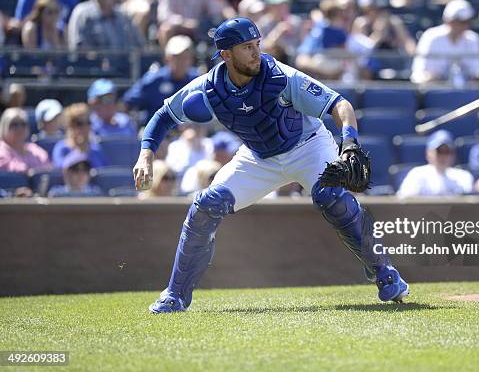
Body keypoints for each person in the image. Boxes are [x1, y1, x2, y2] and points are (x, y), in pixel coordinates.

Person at [133, 17, 409, 313]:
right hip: (258, 156)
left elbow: (339, 104)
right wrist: (146, 155)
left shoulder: (281, 77)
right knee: (205, 205)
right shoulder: (209, 88)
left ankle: (385, 271)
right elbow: (163, 116)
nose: (255, 52)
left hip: (308, 146)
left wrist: (350, 143)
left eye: (256, 44)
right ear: (226, 54)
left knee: (331, 197)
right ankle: (175, 295)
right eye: (246, 47)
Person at [123, 35, 200, 123]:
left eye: (185, 57)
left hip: (189, 131)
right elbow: (127, 103)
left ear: (191, 59)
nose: (181, 61)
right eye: (177, 57)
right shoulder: (153, 80)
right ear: (167, 58)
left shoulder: (197, 80)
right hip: (157, 133)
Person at [411, 0, 479, 85]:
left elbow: (477, 75)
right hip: (433, 90)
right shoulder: (431, 37)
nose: (463, 26)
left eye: (466, 22)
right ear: (448, 20)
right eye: (458, 21)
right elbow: (420, 73)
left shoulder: (473, 39)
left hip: (465, 91)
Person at [66, 0, 144, 50]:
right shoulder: (82, 13)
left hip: (123, 62)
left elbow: (139, 46)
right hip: (94, 62)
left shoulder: (124, 16)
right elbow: (77, 49)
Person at [396, 130, 473, 197]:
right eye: (439, 151)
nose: (443, 156)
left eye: (447, 152)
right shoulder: (417, 174)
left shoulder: (464, 177)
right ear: (428, 153)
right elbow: (404, 204)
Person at [52, 103, 107, 169]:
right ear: (70, 126)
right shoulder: (61, 148)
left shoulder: (96, 149)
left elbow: (102, 172)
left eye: (88, 122)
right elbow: (62, 170)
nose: (85, 127)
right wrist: (79, 151)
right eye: (79, 123)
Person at [0, 107, 52, 173]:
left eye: (23, 124)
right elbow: (9, 167)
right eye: (14, 124)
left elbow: (48, 167)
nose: (19, 128)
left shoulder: (33, 149)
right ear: (4, 127)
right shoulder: (2, 149)